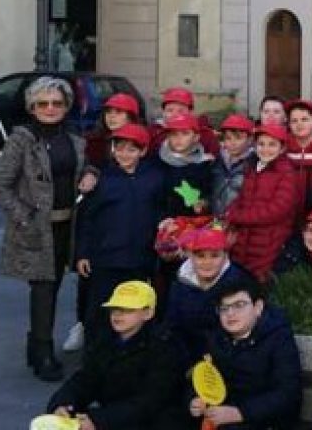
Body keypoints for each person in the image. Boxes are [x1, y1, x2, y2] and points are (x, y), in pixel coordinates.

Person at [0, 76, 87, 381]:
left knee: (55, 286)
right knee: (44, 289)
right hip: (36, 230)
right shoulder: (21, 139)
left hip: (68, 228)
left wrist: (92, 172)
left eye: (57, 103)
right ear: (32, 107)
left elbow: (83, 170)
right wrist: (27, 217)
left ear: (67, 106)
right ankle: (43, 351)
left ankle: (35, 346)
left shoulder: (74, 139)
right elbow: (0, 188)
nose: (50, 108)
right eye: (42, 103)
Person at [46, 281, 180, 430]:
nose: (118, 314)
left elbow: (150, 402)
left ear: (148, 313)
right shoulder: (104, 341)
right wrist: (62, 403)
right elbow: (85, 379)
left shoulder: (164, 347)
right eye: (114, 309)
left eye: (128, 310)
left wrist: (99, 420)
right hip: (116, 417)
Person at [74, 123, 163, 329]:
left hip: (141, 259)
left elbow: (161, 211)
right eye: (119, 148)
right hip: (106, 259)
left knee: (136, 309)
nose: (124, 154)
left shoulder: (155, 178)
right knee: (100, 311)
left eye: (131, 149)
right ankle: (96, 356)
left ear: (143, 151)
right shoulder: (102, 179)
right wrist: (83, 253)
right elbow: (87, 219)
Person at [189, 277, 301, 429]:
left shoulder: (278, 338)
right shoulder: (214, 339)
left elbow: (287, 393)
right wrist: (194, 401)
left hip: (264, 421)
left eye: (239, 305)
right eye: (224, 308)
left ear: (257, 307)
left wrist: (241, 413)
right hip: (218, 419)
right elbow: (196, 377)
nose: (230, 313)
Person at [164, 225, 253, 365]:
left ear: (225, 256)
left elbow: (244, 332)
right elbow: (172, 327)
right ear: (190, 256)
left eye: (215, 256)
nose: (207, 262)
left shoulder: (240, 284)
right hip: (187, 362)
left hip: (230, 361)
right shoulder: (179, 284)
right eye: (200, 256)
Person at [225, 124, 300, 282]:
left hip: (269, 243)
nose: (266, 149)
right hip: (245, 240)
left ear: (282, 148)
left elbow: (277, 210)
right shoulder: (253, 169)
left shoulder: (287, 173)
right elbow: (242, 198)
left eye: (272, 144)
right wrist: (230, 211)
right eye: (261, 144)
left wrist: (238, 216)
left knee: (259, 285)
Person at [153, 113, 215, 219]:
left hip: (192, 226)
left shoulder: (204, 164)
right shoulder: (157, 162)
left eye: (185, 133)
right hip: (162, 226)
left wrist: (204, 203)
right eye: (174, 134)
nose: (179, 138)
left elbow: (211, 194)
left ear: (196, 137)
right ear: (167, 136)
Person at [152, 87, 220, 156]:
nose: (175, 115)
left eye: (181, 111)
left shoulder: (206, 135)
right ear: (163, 112)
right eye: (170, 110)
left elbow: (215, 161)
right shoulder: (154, 133)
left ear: (191, 112)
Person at [212, 114, 256, 214]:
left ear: (249, 140)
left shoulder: (254, 164)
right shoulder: (217, 162)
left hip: (240, 222)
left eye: (238, 138)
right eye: (228, 138)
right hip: (217, 220)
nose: (233, 143)